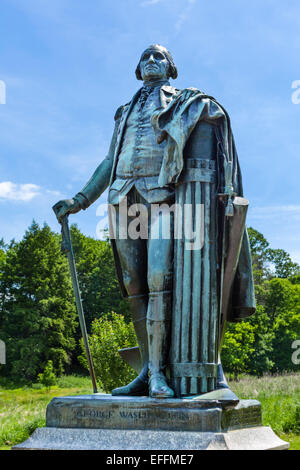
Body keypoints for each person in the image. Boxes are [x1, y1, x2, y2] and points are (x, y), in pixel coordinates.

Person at [54, 44, 255, 399]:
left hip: (163, 197)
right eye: (145, 57)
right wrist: (80, 200)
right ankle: (146, 370)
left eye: (158, 57)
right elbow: (109, 162)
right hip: (123, 197)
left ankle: (161, 375)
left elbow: (209, 127)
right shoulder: (123, 111)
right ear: (137, 68)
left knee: (159, 278)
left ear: (170, 68)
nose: (151, 61)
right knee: (134, 284)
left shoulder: (186, 101)